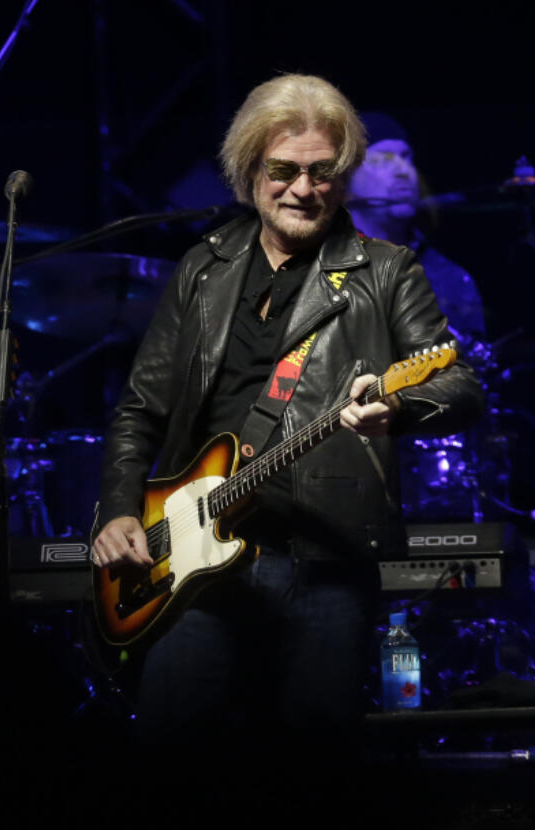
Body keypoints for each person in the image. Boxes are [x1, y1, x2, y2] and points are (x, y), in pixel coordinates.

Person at [89, 74, 483, 753]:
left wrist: (399, 403)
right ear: (248, 171)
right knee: (170, 755)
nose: (303, 188)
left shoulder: (386, 271)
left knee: (312, 773)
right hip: (190, 560)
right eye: (283, 170)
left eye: (322, 172)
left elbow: (460, 388)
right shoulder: (202, 269)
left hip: (323, 562)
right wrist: (121, 508)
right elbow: (140, 407)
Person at [347, 112, 486, 340]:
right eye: (383, 159)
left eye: (407, 157)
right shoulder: (317, 266)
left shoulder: (450, 277)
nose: (403, 170)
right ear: (347, 177)